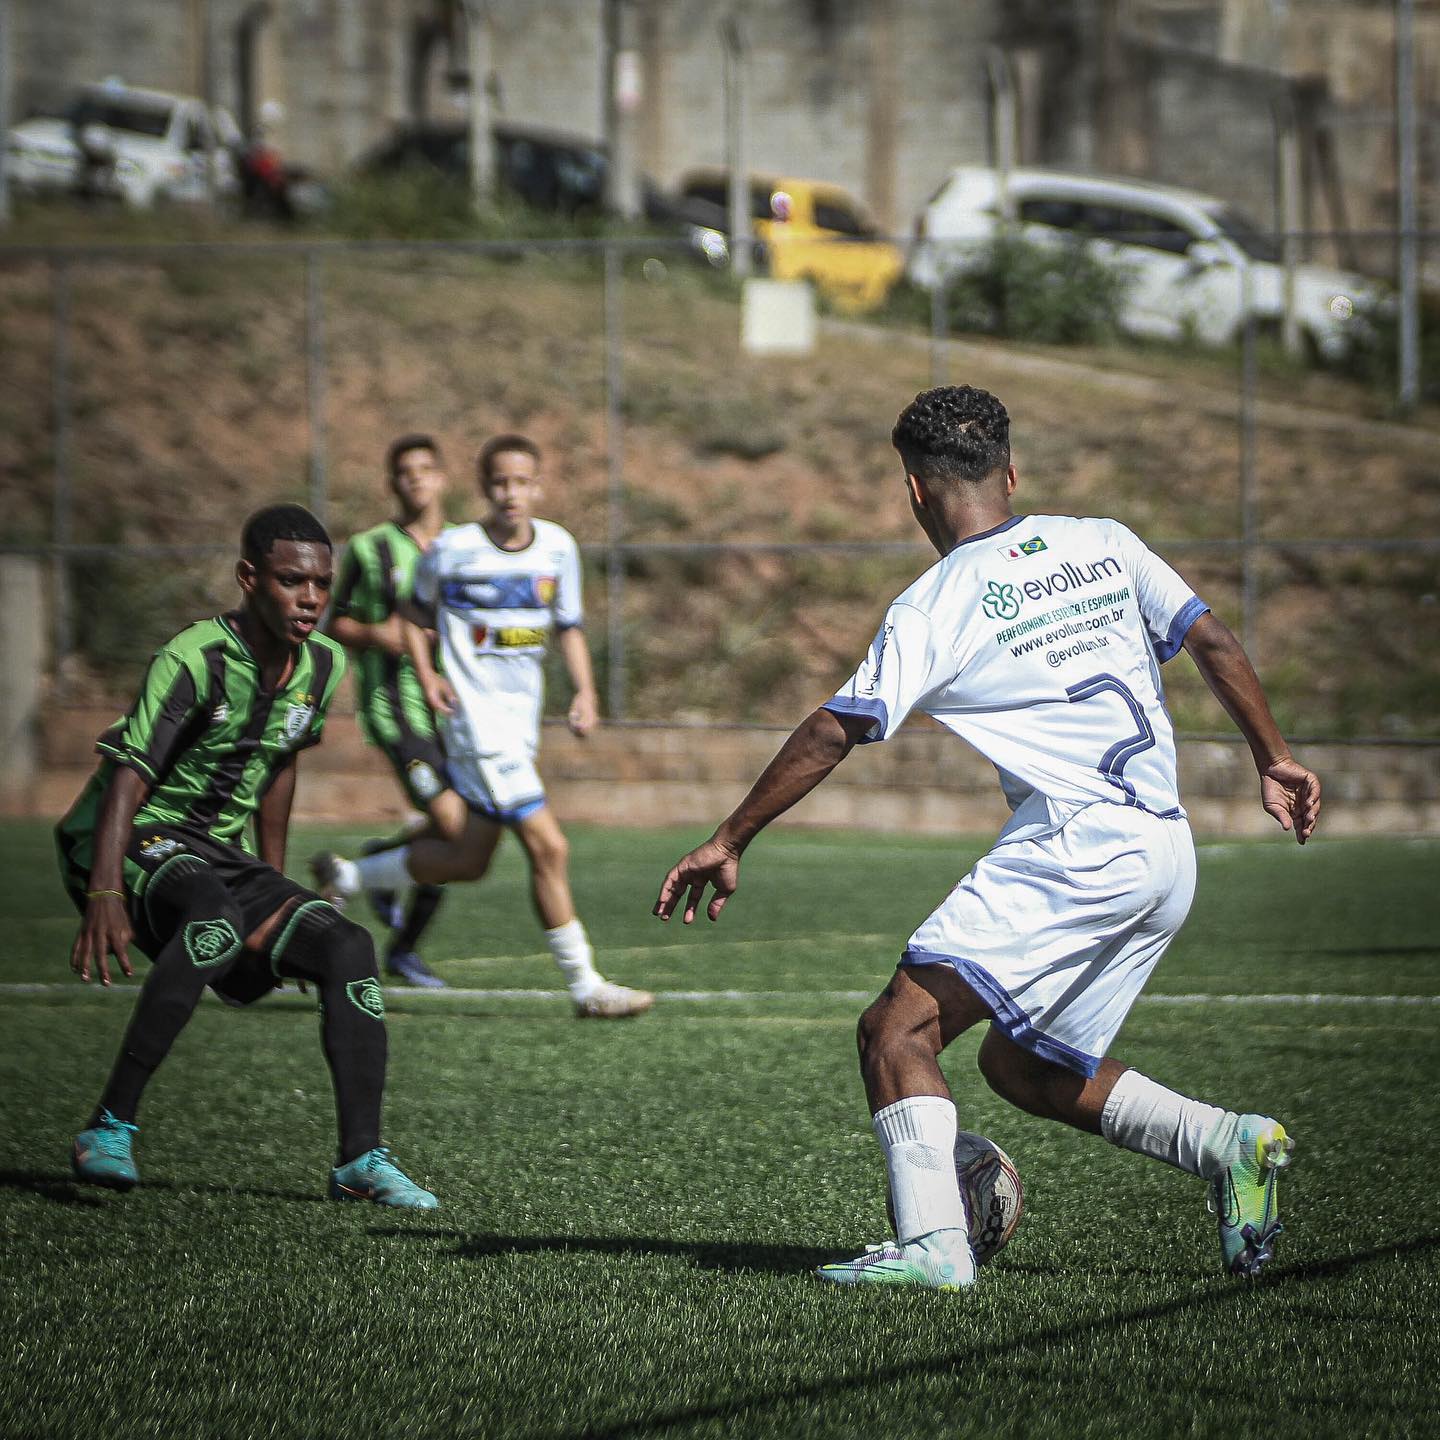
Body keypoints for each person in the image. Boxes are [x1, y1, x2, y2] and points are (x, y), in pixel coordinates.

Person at [654, 386, 1319, 1290]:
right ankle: (1224, 1143)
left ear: (915, 494)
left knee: (898, 1030)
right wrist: (1273, 758)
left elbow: (835, 727)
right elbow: (1215, 642)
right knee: (1027, 1064)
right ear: (1010, 473)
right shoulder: (1106, 543)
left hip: (1077, 846)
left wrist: (729, 836)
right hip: (1166, 852)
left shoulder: (938, 601)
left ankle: (933, 1248)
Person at [55, 504, 438, 1209]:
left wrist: (278, 883)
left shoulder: (323, 663)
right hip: (137, 832)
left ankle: (360, 1160)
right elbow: (127, 780)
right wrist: (104, 894)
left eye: (321, 583)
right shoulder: (194, 657)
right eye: (293, 581)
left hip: (217, 851)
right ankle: (108, 1129)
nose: (312, 598)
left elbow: (281, 763)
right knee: (214, 917)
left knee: (347, 946)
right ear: (248, 578)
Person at [313, 435, 654, 1020]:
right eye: (499, 483)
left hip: (519, 728)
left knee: (469, 857)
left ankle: (346, 874)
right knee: (550, 845)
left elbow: (568, 625)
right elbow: (413, 616)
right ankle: (585, 984)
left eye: (521, 482)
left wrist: (586, 690)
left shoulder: (557, 547)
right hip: (475, 727)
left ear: (538, 487)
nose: (510, 494)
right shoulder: (453, 549)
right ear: (483, 488)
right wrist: (427, 676)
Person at [325, 434, 462, 988]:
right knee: (453, 826)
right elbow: (329, 619)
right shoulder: (369, 548)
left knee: (460, 831)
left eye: (426, 469)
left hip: (456, 713)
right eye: (405, 471)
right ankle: (388, 908)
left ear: (443, 477)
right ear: (393, 483)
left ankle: (382, 873)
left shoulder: (465, 545)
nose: (416, 480)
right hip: (397, 710)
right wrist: (377, 632)